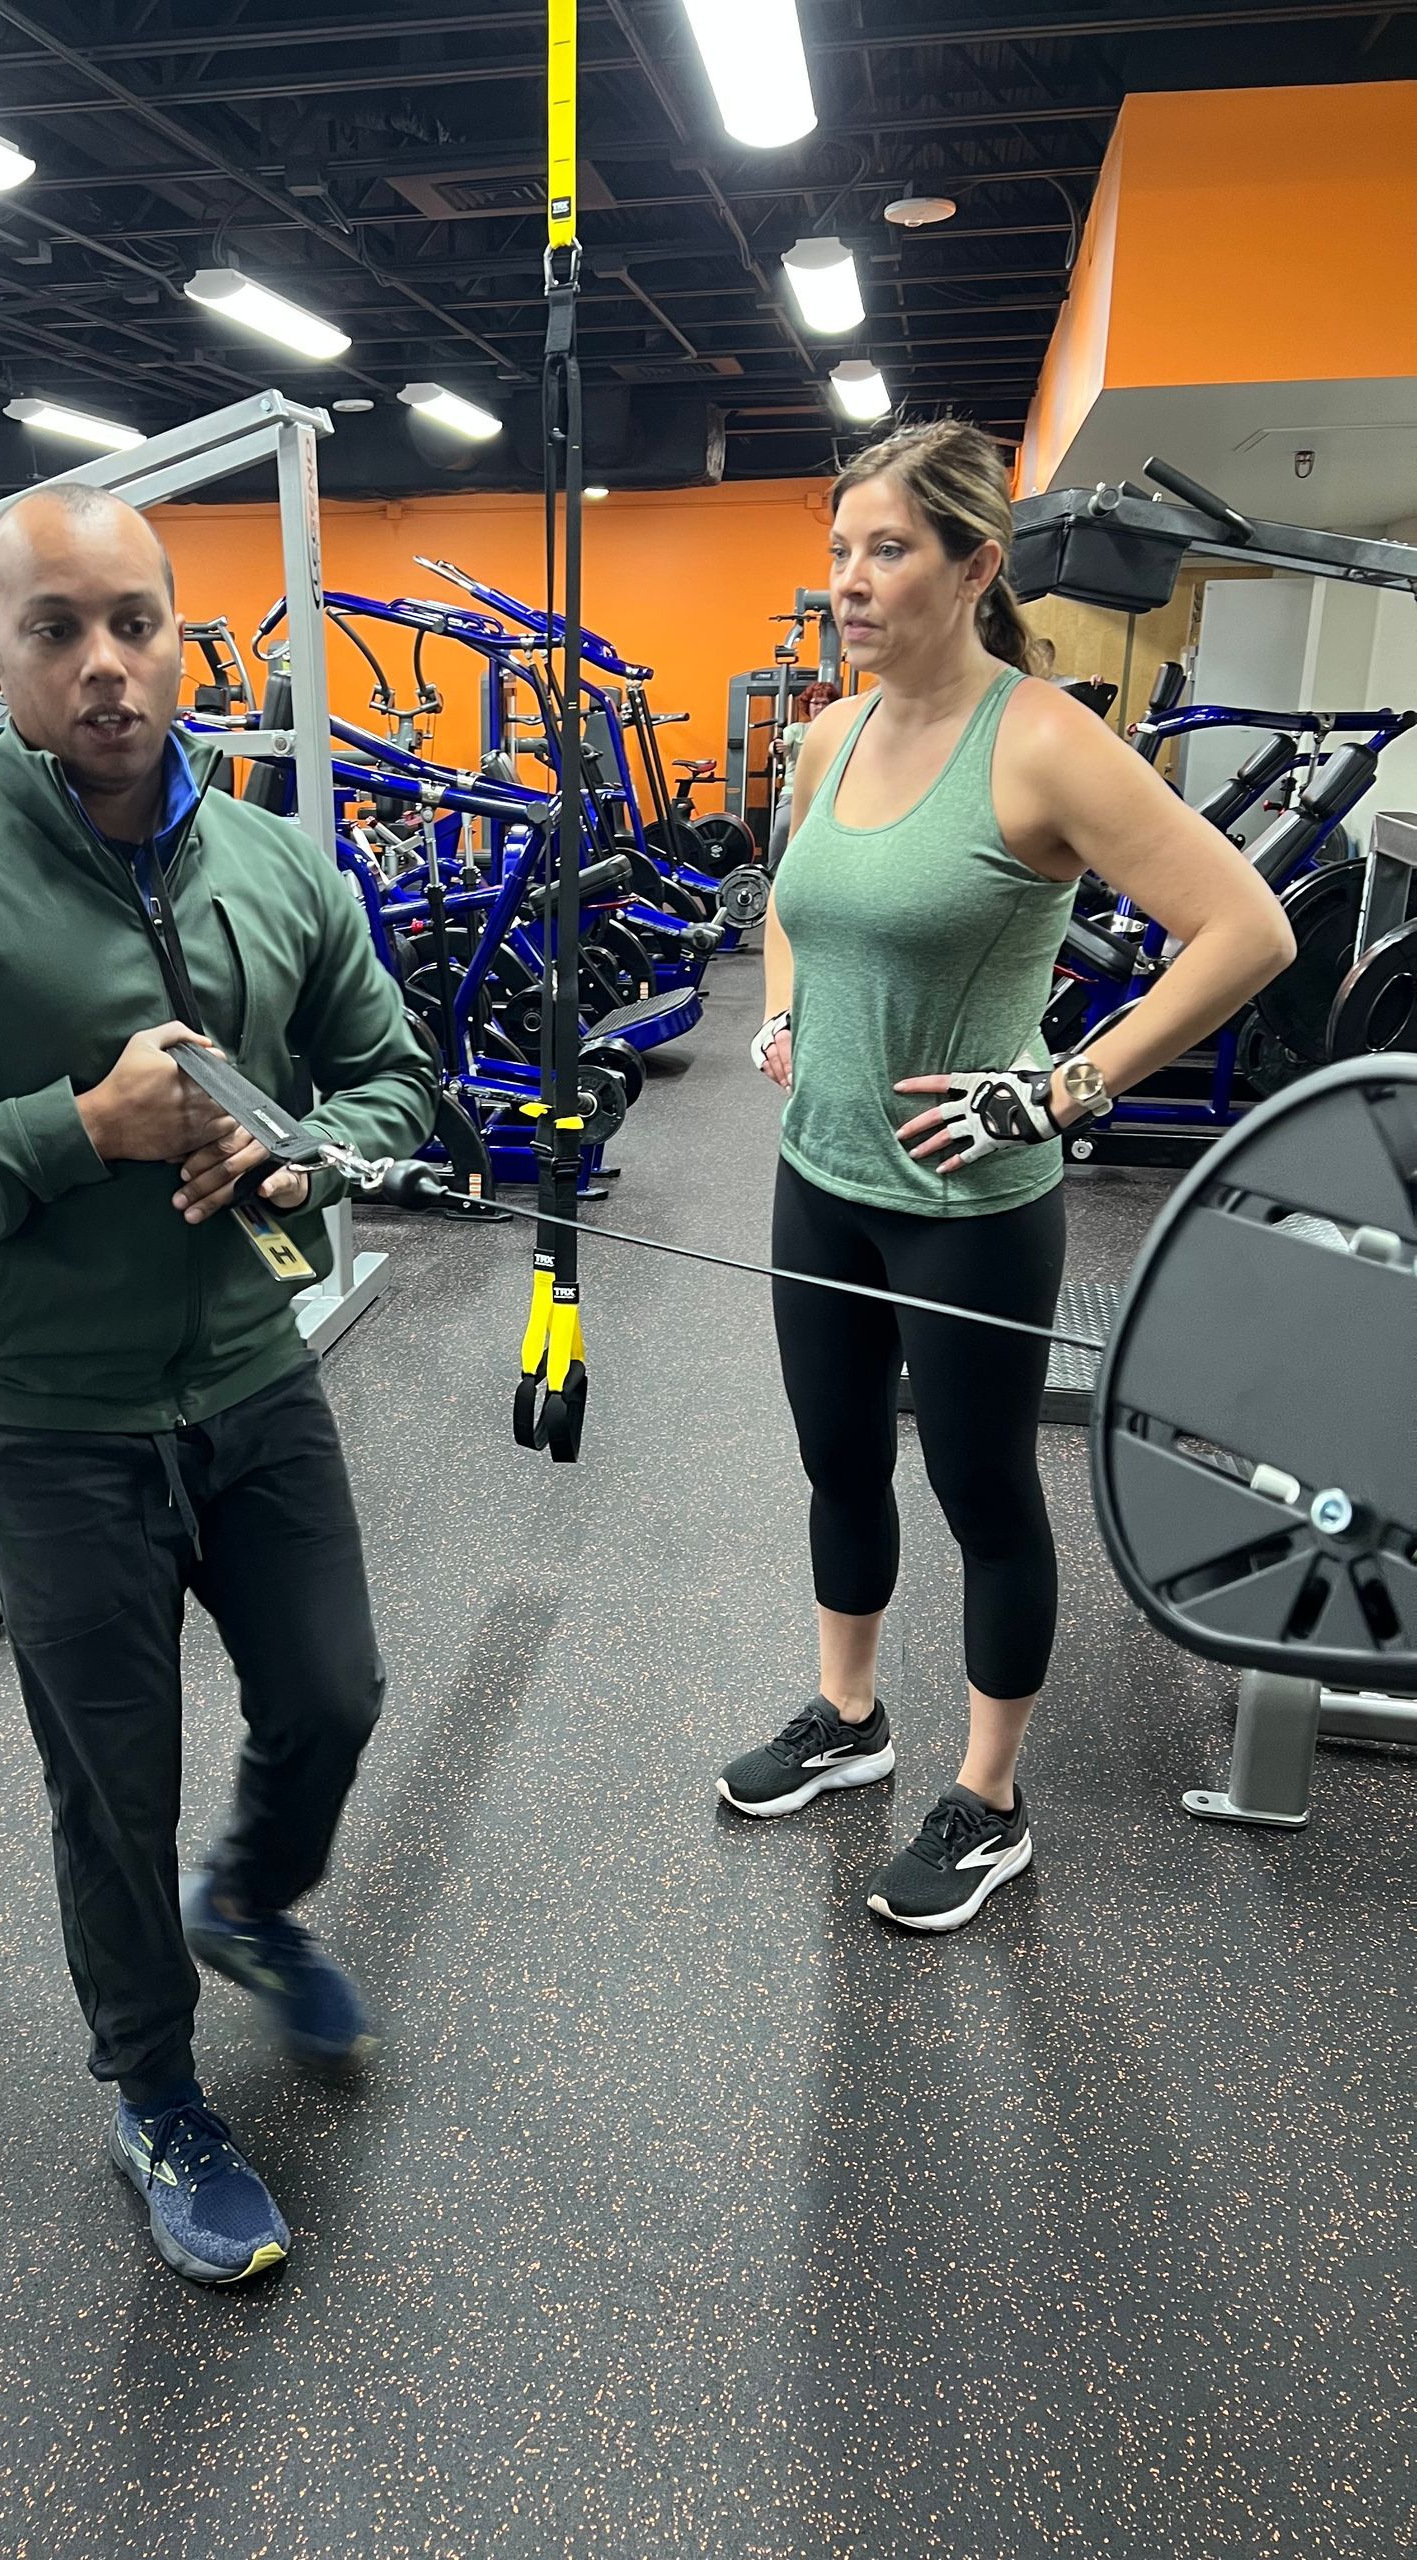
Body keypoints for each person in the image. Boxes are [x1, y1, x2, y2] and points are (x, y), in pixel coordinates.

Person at [0, 484, 438, 2285]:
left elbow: (392, 1077)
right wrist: (78, 1130)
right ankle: (151, 2089)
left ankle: (253, 1898)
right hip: (48, 1416)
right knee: (110, 1779)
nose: (106, 666)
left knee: (335, 1695)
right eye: (55, 629)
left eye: (134, 622)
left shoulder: (285, 865)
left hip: (247, 1370)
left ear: (179, 634)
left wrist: (313, 1159)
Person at [717, 419, 1294, 1931]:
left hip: (970, 1209)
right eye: (840, 550)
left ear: (976, 567)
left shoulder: (1040, 741)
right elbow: (795, 902)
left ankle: (987, 1800)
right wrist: (783, 1008)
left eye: (886, 549)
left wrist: (1062, 1090)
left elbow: (1247, 932)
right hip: (819, 1175)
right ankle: (850, 1720)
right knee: (837, 1461)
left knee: (981, 1496)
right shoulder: (832, 733)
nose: (850, 580)